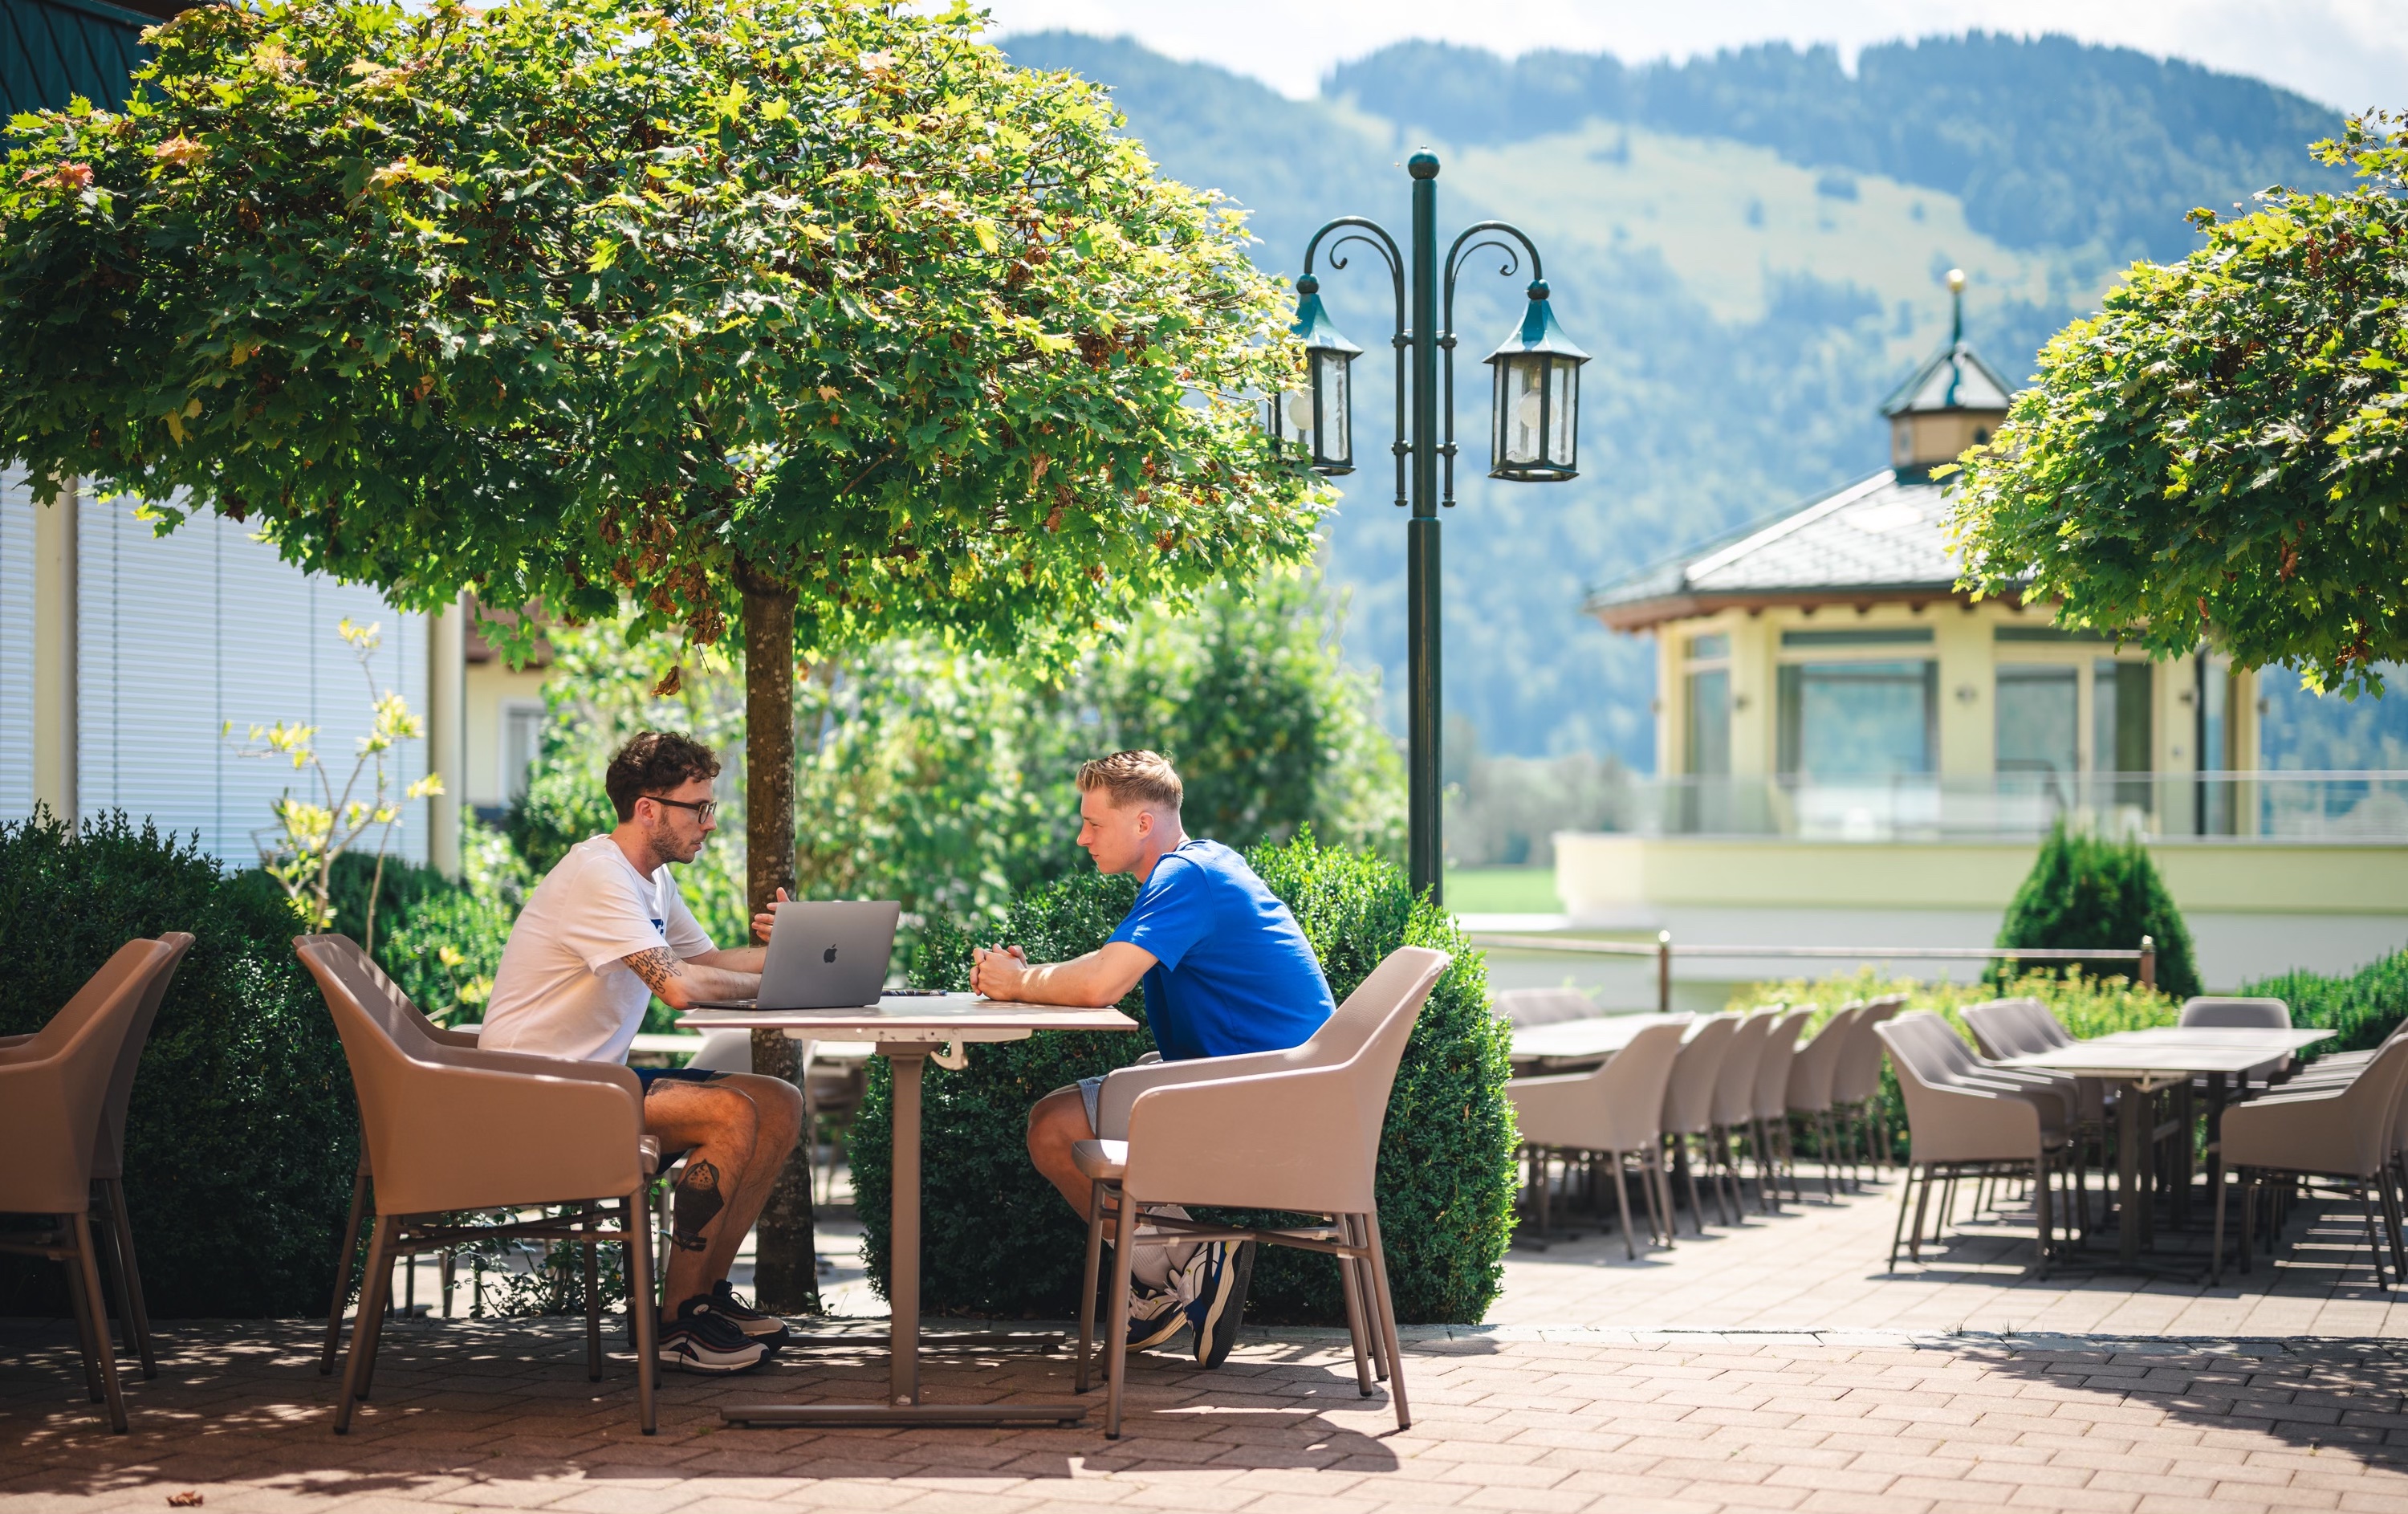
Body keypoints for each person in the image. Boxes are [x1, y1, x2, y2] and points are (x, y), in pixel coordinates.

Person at [974, 750, 1336, 1370]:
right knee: (1070, 1115)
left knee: (1054, 1129)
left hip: (1261, 1102)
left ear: (1143, 823)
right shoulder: (1199, 867)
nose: (1081, 837)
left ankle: (1184, 1266)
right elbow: (1104, 967)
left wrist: (1016, 982)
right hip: (1279, 1090)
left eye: (1094, 823)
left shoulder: (1184, 878)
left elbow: (1099, 986)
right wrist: (1026, 976)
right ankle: (1176, 1274)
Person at [480, 731, 805, 1375]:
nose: (709, 825)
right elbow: (681, 986)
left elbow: (709, 961)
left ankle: (704, 1299)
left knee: (778, 1101)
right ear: (648, 809)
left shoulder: (649, 881)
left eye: (712, 808)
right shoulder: (599, 876)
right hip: (532, 1092)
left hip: (590, 1083)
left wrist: (794, 953)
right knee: (732, 1113)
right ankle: (678, 1324)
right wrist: (775, 979)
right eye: (698, 809)